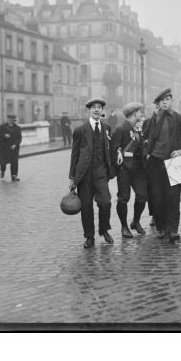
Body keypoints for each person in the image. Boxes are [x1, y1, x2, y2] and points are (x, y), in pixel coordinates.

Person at [142, 88, 181, 243]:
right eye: (162, 101)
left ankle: (173, 230)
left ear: (171, 101)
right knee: (158, 198)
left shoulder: (179, 118)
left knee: (173, 198)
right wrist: (147, 153)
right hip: (155, 162)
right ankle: (161, 228)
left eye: (168, 99)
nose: (165, 102)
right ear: (158, 104)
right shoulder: (153, 119)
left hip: (174, 163)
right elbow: (144, 139)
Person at [69, 98, 115, 248]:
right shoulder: (80, 130)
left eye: (99, 107)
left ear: (102, 111)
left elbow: (111, 149)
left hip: (101, 172)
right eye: (93, 107)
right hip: (84, 175)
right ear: (89, 111)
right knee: (86, 206)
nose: (96, 110)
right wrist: (72, 177)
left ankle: (104, 229)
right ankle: (89, 236)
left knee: (105, 202)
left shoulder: (107, 128)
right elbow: (74, 154)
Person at [111, 101, 148, 237]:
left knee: (142, 196)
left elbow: (141, 146)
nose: (140, 114)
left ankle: (136, 221)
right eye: (139, 112)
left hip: (138, 169)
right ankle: (124, 227)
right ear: (134, 114)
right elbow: (114, 148)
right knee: (123, 198)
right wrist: (118, 152)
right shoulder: (121, 129)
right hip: (125, 169)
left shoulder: (138, 128)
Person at [0, 113, 22, 181]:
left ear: (14, 120)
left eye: (12, 119)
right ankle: (2, 171)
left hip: (13, 148)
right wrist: (4, 135)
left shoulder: (17, 128)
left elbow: (19, 138)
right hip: (4, 147)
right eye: (9, 119)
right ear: (8, 119)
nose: (11, 120)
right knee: (3, 162)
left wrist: (15, 145)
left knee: (14, 162)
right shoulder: (2, 126)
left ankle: (14, 176)